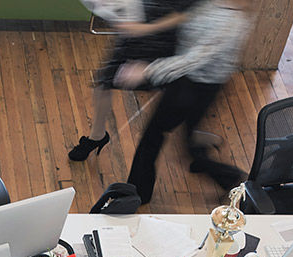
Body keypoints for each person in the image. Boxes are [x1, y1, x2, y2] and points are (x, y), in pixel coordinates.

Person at [114, 0, 257, 204]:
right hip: (195, 84)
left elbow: (193, 60)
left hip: (193, 87)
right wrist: (144, 28)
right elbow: (185, 16)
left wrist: (146, 71)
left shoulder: (231, 23)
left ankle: (137, 193)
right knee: (190, 139)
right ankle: (229, 177)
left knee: (153, 136)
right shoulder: (213, 4)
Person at [68, 0, 202, 161]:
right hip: (135, 26)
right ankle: (97, 136)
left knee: (175, 90)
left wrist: (144, 28)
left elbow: (184, 14)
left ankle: (191, 135)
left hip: (164, 38)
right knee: (104, 82)